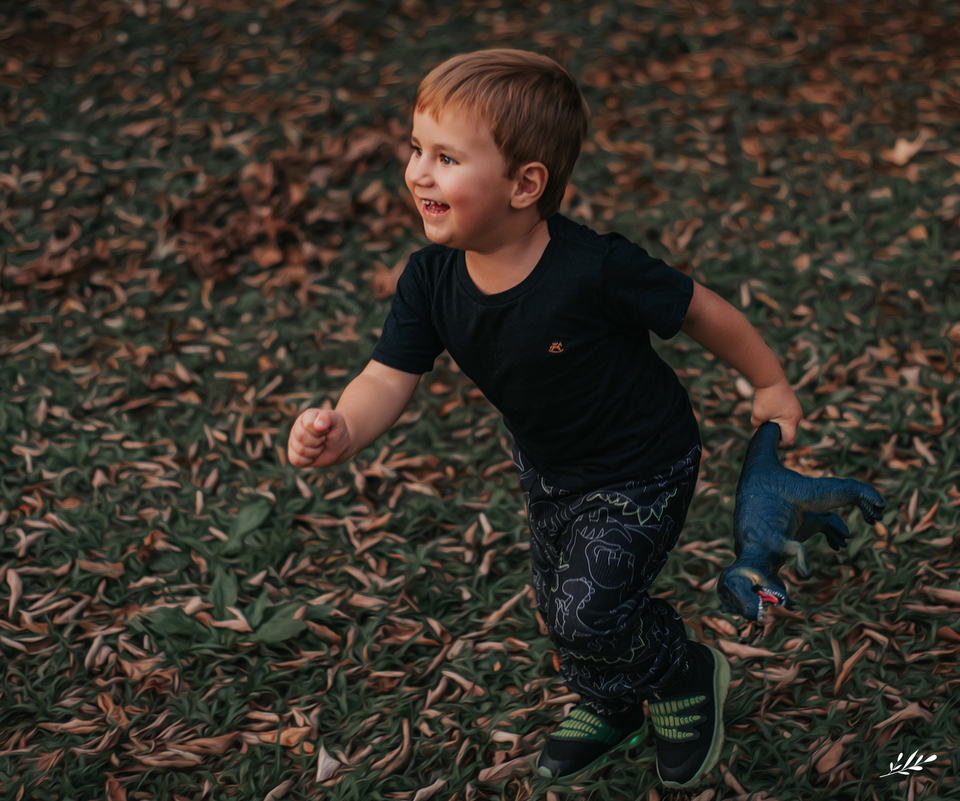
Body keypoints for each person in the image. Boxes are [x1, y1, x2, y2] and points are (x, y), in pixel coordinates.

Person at [285, 48, 802, 791]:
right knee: (561, 608)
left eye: (445, 157)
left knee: (591, 613)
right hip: (551, 469)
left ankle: (683, 671)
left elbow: (698, 309)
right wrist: (342, 426)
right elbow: (385, 376)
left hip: (643, 463)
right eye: (416, 149)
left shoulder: (591, 268)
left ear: (525, 184)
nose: (418, 172)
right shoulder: (431, 279)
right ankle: (613, 701)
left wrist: (771, 381)